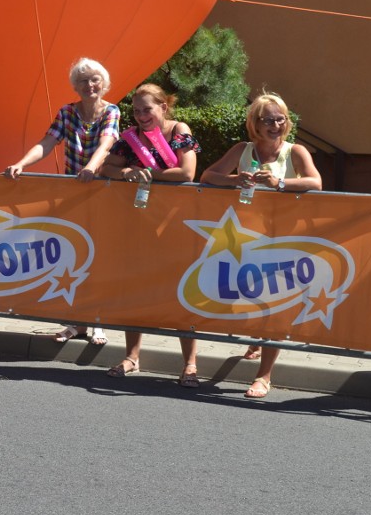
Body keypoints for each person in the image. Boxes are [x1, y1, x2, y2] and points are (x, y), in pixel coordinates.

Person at [200, 92, 322, 398]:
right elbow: (208, 176)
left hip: (283, 240)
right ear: (255, 123)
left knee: (274, 306)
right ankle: (257, 339)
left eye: (280, 119)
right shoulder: (243, 149)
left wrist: (278, 184)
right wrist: (235, 180)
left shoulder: (295, 151)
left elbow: (315, 183)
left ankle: (264, 376)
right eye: (267, 119)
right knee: (251, 298)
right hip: (247, 240)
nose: (275, 125)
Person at [4, 57, 120, 345]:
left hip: (100, 192)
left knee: (99, 257)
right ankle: (74, 323)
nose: (90, 84)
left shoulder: (112, 111)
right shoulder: (67, 113)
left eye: (94, 79)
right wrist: (21, 164)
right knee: (73, 256)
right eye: (83, 80)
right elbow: (47, 142)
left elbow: (107, 142)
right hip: (72, 193)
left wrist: (92, 168)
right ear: (75, 86)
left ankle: (98, 321)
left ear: (103, 84)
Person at [100, 84, 203, 385]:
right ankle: (132, 356)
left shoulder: (178, 130)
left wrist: (145, 171)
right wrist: (125, 173)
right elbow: (108, 167)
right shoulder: (131, 137)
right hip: (140, 219)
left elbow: (187, 173)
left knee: (182, 290)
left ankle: (190, 364)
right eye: (136, 110)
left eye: (148, 109)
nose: (142, 115)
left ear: (163, 107)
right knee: (135, 285)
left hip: (177, 221)